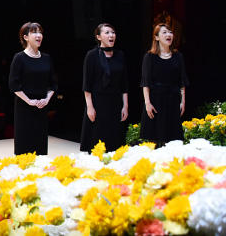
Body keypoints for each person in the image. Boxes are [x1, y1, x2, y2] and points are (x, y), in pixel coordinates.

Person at [8, 22, 58, 155]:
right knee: (25, 145)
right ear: (25, 37)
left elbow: (53, 83)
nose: (39, 35)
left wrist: (47, 99)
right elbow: (14, 85)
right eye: (34, 32)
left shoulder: (46, 58)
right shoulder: (19, 58)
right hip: (24, 107)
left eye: (40, 32)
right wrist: (29, 101)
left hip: (42, 106)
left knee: (40, 145)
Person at [79, 23, 128, 152]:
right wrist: (90, 107)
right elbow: (87, 84)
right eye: (107, 32)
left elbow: (124, 83)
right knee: (96, 142)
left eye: (113, 32)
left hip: (115, 103)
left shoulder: (120, 55)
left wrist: (125, 106)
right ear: (99, 37)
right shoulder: (92, 55)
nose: (111, 35)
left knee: (114, 142)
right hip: (97, 102)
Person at [139, 23, 189, 146]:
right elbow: (146, 82)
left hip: (172, 99)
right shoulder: (149, 57)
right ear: (156, 37)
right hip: (156, 101)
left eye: (170, 32)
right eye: (164, 32)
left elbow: (181, 81)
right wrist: (147, 103)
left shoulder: (178, 56)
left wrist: (182, 101)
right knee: (155, 140)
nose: (169, 35)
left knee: (173, 139)